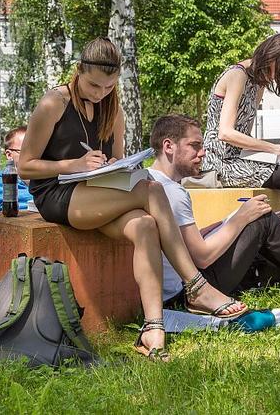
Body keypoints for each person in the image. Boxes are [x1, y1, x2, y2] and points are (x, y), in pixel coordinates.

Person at [18, 37, 246, 362]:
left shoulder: (113, 109)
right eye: (94, 84)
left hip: (95, 192)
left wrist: (113, 166)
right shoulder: (54, 102)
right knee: (151, 189)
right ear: (79, 71)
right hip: (57, 193)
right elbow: (25, 165)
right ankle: (196, 285)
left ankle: (152, 332)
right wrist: (74, 165)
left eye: (108, 87)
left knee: (144, 225)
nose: (100, 93)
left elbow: (116, 161)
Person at [147, 115, 280, 297]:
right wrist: (241, 219)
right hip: (191, 288)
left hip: (178, 285)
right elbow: (202, 257)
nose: (202, 153)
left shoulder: (151, 183)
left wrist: (223, 223)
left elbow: (181, 243)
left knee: (262, 249)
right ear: (168, 146)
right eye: (194, 146)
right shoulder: (173, 192)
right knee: (263, 219)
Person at [202, 33, 280, 217]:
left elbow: (245, 134)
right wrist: (273, 148)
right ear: (271, 56)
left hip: (238, 155)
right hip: (220, 161)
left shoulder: (258, 83)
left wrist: (272, 152)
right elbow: (225, 133)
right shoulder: (237, 75)